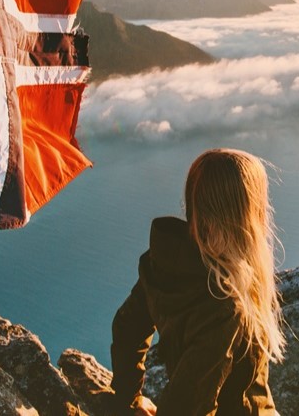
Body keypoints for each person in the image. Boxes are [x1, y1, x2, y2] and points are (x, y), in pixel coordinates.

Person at [111, 148, 285, 415]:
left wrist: (128, 398)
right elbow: (188, 407)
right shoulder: (225, 304)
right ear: (246, 214)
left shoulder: (165, 262)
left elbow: (126, 328)